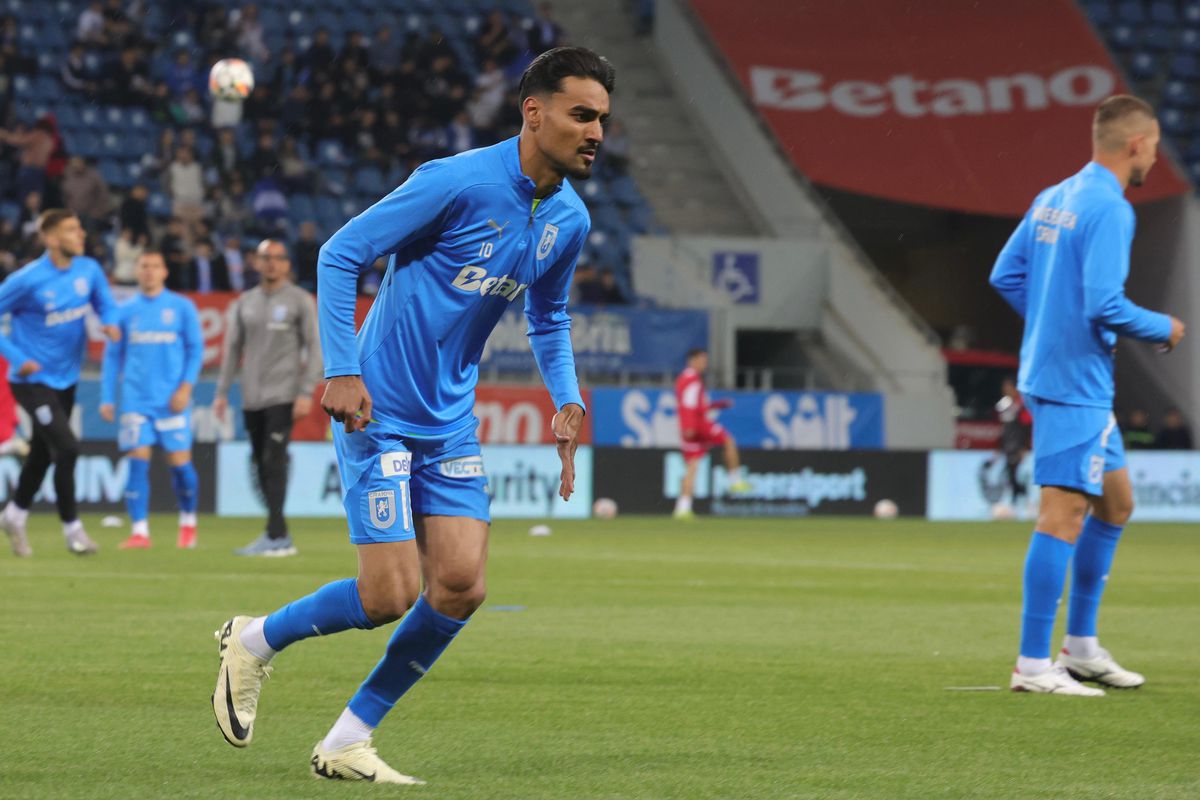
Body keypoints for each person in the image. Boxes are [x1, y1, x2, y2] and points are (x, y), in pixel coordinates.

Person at [210, 47, 613, 784]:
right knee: (388, 595)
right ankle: (254, 640)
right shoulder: (456, 182)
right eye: (581, 115)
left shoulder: (570, 218)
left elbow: (549, 317)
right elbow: (340, 254)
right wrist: (341, 369)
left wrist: (567, 398)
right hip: (380, 409)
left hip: (450, 419)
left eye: (602, 120)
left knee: (460, 585)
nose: (595, 133)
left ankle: (347, 740)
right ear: (534, 113)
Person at [990, 95, 1186, 696]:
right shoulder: (1109, 208)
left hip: (1071, 380)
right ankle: (1032, 665)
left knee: (1116, 505)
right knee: (1063, 515)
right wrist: (1164, 327)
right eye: (1154, 146)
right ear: (1136, 144)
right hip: (1072, 385)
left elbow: (1006, 274)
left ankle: (1079, 648)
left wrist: (1051, 324)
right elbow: (1105, 304)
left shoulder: (1055, 195)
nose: (1154, 156)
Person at [0, 210, 119, 557]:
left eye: (79, 228)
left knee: (41, 453)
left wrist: (110, 322)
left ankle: (14, 515)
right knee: (67, 448)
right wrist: (18, 358)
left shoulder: (89, 270)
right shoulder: (28, 279)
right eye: (71, 230)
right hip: (31, 380)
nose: (81, 234)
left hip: (66, 378)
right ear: (50, 238)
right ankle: (73, 530)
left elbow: (106, 305)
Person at [213, 239, 321, 556]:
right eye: (265, 257)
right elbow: (232, 349)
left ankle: (276, 535)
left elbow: (315, 347)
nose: (271, 263)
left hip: (283, 394)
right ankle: (278, 533)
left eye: (277, 257)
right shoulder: (245, 302)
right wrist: (221, 392)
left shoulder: (299, 300)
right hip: (251, 397)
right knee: (261, 462)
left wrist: (306, 391)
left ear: (286, 264)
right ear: (256, 263)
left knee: (274, 459)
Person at [99, 250, 203, 549]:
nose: (149, 271)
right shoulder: (124, 311)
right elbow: (112, 357)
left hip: (172, 400)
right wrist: (107, 397)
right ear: (136, 271)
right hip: (136, 400)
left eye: (155, 266)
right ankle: (139, 532)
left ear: (164, 271)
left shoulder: (181, 307)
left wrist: (185, 388)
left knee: (181, 467)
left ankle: (188, 523)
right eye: (144, 266)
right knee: (136, 463)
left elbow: (195, 350)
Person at [672, 347, 749, 519]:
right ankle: (735, 479)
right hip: (697, 425)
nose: (705, 363)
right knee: (728, 440)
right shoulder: (692, 379)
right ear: (692, 361)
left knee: (692, 467)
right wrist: (689, 426)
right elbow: (688, 405)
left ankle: (682, 507)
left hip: (688, 427)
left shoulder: (684, 379)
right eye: (702, 360)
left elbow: (695, 404)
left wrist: (718, 405)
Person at [994, 376, 1032, 512]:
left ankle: (1026, 503)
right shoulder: (1003, 405)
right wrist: (999, 447)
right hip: (1008, 447)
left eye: (1009, 387)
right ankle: (1013, 503)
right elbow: (1004, 431)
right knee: (1010, 476)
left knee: (1021, 476)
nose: (1006, 390)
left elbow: (1027, 428)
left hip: (1019, 448)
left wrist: (1025, 447)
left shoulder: (1021, 406)